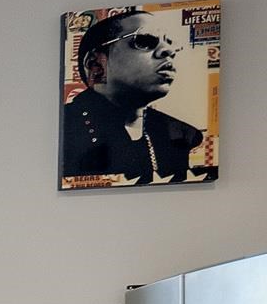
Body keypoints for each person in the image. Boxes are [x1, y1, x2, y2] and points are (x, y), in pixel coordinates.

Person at [62, 9, 213, 184]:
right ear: (96, 64)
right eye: (144, 41)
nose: (168, 51)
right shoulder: (64, 127)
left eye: (171, 44)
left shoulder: (183, 135)